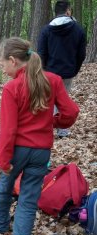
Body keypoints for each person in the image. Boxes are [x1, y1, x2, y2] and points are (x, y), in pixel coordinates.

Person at [0, 37, 79, 235]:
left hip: (17, 150)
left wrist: (3, 160)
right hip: (41, 152)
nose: (3, 70)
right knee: (28, 199)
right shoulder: (53, 80)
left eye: (3, 65)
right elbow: (71, 112)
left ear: (13, 60)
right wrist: (55, 122)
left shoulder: (12, 88)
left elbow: (9, 130)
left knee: (4, 185)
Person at [37, 0, 86, 138]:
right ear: (68, 11)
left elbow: (41, 53)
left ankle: (47, 127)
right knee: (63, 99)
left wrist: (44, 69)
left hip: (49, 71)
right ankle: (62, 130)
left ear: (55, 12)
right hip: (68, 71)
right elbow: (81, 54)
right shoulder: (78, 30)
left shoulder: (46, 30)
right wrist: (74, 69)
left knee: (48, 99)